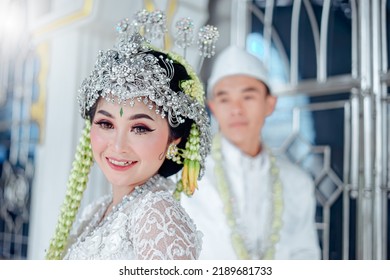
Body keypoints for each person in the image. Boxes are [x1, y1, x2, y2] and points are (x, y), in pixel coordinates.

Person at [45, 12, 213, 260]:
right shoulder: (97, 210)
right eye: (105, 123)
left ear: (173, 141)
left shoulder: (157, 214)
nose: (118, 145)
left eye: (140, 128)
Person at [181, 45, 321, 260]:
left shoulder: (297, 182)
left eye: (248, 97)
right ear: (213, 107)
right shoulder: (186, 177)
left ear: (270, 104)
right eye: (224, 98)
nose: (236, 109)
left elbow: (306, 255)